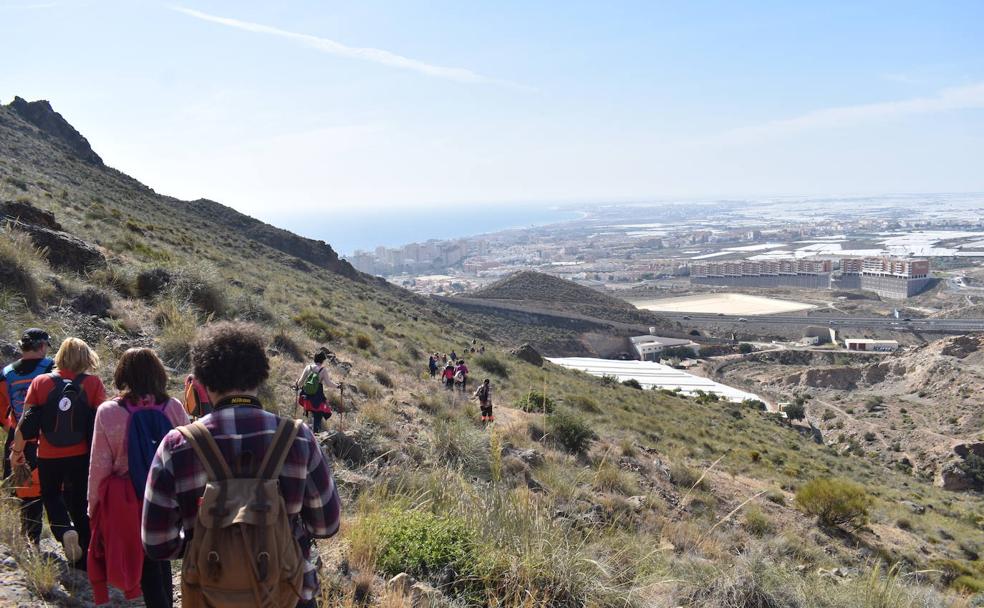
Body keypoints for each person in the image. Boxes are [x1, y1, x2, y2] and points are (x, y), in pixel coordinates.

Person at [143, 322, 341, 608]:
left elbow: (156, 542)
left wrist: (213, 541)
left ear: (202, 380)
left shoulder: (176, 445)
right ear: (260, 375)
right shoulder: (297, 437)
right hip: (288, 593)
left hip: (210, 595)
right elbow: (327, 525)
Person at [87, 348, 188, 607]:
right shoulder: (173, 407)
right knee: (161, 556)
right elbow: (190, 454)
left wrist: (94, 505)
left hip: (128, 499)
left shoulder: (109, 412)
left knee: (145, 565)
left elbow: (99, 464)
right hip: (168, 496)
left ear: (123, 374)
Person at [11, 337, 106, 568]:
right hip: (81, 455)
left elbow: (26, 423)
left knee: (51, 496)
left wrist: (17, 452)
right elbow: (102, 423)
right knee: (80, 500)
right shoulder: (93, 384)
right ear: (86, 357)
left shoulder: (41, 382)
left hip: (48, 455)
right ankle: (84, 558)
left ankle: (64, 531)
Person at [1, 328, 54, 479]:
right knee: (46, 491)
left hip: (16, 438)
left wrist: (11, 428)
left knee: (15, 488)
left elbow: (0, 407)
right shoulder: (52, 368)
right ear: (42, 345)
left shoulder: (6, 373)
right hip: (45, 438)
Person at [294, 351, 338, 433]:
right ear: (322, 360)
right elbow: (328, 383)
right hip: (318, 396)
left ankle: (305, 432)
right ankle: (315, 435)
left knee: (309, 415)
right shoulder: (323, 370)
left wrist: (296, 384)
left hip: (306, 395)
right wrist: (338, 386)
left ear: (315, 359)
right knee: (318, 415)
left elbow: (300, 382)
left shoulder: (308, 367)